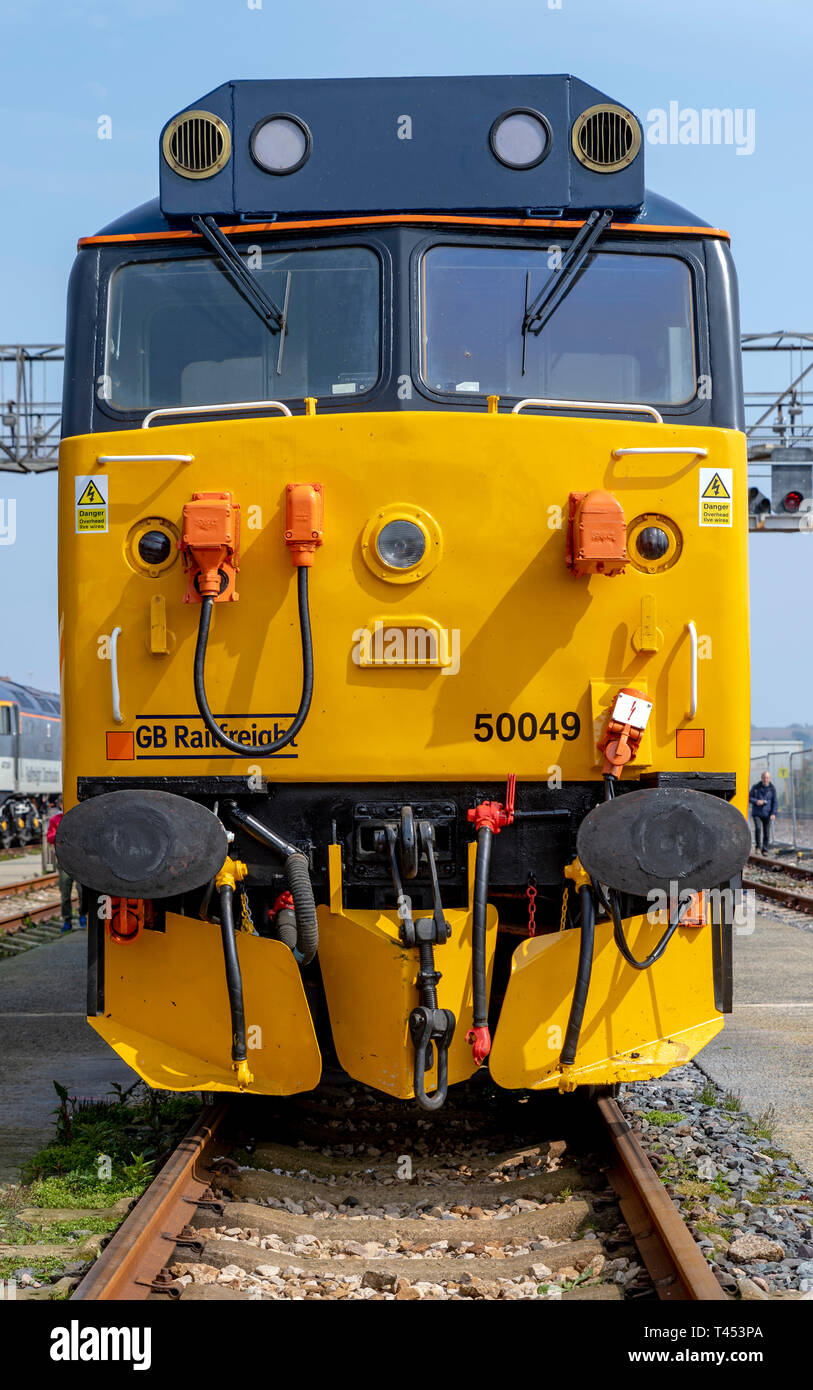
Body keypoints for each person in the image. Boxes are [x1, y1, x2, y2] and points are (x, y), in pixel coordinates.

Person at [47, 803, 87, 934]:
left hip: (79, 862)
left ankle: (82, 915)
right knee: (65, 894)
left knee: (82, 891)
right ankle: (67, 920)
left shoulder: (80, 818)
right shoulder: (55, 820)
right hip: (64, 862)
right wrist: (61, 834)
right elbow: (49, 837)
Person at [749, 770, 777, 852]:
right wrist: (756, 801)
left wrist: (773, 813)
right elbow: (749, 797)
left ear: (769, 779)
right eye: (764, 778)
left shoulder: (772, 789)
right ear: (762, 778)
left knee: (766, 832)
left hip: (767, 813)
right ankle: (758, 847)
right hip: (757, 813)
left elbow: (775, 802)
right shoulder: (756, 787)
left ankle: (765, 849)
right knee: (758, 829)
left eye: (767, 778)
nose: (765, 779)